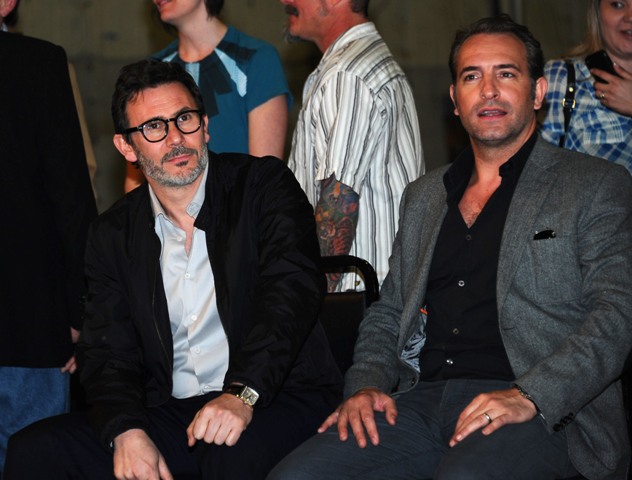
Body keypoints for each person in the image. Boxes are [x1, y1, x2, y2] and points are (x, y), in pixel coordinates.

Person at [268, 14, 632, 480]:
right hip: (418, 400)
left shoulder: (593, 184)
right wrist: (365, 386)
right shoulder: (425, 196)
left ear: (538, 92)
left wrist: (531, 394)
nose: (489, 91)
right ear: (456, 100)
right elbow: (389, 310)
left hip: (545, 408)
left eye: (506, 73)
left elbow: (617, 313)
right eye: (472, 77)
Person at [4, 59, 341, 480]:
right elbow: (107, 351)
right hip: (172, 409)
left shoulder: (263, 186)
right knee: (35, 450)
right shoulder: (112, 233)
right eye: (153, 127)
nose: (176, 138)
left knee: (226, 450)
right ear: (127, 148)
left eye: (184, 119)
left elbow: (289, 293)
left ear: (205, 126)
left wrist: (242, 393)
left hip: (276, 395)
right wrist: (127, 431)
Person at [0, 0, 97, 474]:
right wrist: (82, 309)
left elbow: (70, 195)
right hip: (30, 320)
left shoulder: (38, 63)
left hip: (31, 326)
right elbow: (70, 195)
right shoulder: (37, 63)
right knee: (32, 461)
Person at [280, 0, 424, 291]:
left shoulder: (347, 74)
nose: (285, 1)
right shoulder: (364, 61)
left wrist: (315, 300)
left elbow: (338, 202)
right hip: (382, 291)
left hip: (358, 296)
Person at [125, 0, 292, 192]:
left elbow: (264, 179)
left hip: (242, 208)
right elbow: (134, 184)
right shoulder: (150, 73)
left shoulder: (256, 59)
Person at [540, 0, 632, 174]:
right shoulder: (563, 76)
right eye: (618, 5)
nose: (630, 17)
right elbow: (539, 167)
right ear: (597, 12)